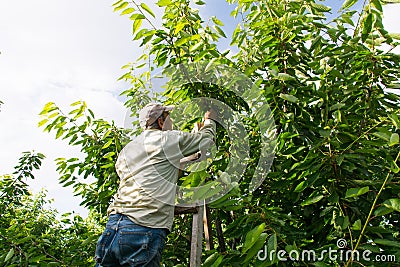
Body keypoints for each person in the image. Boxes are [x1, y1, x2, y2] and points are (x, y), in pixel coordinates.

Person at [94, 103, 216, 267]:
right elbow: (206, 140)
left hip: (113, 228)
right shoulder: (167, 139)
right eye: (168, 117)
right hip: (143, 230)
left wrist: (184, 161)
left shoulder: (127, 150)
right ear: (161, 122)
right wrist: (209, 121)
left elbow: (157, 171)